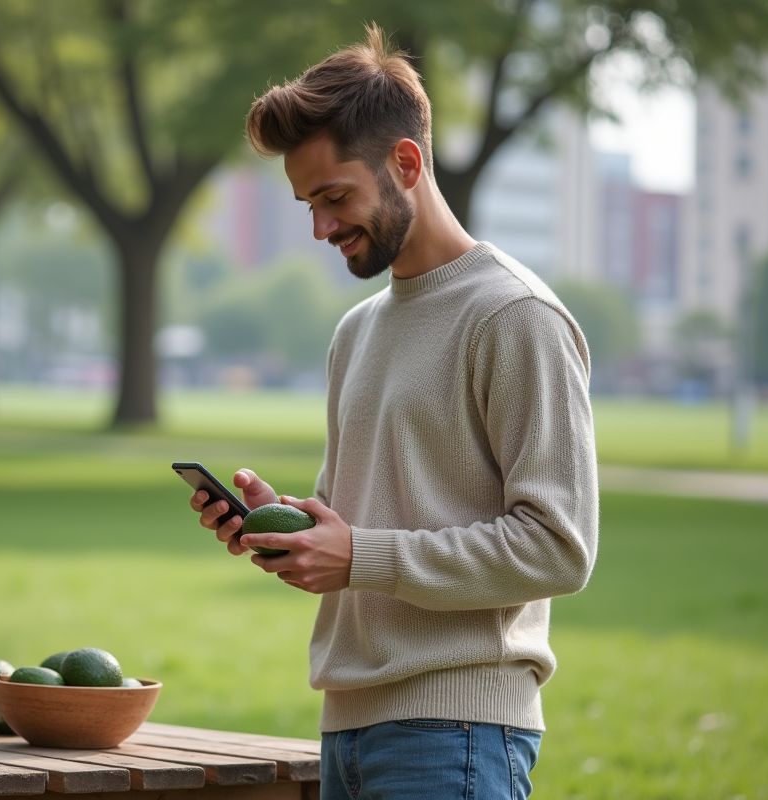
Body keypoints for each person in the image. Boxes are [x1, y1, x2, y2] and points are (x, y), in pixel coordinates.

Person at [188, 24, 599, 800]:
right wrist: (285, 527)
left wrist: (360, 557)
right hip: (346, 728)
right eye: (308, 204)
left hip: (458, 734)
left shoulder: (515, 317)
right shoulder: (356, 330)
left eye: (335, 197)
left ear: (406, 164)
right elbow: (362, 530)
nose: (320, 227)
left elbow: (560, 547)